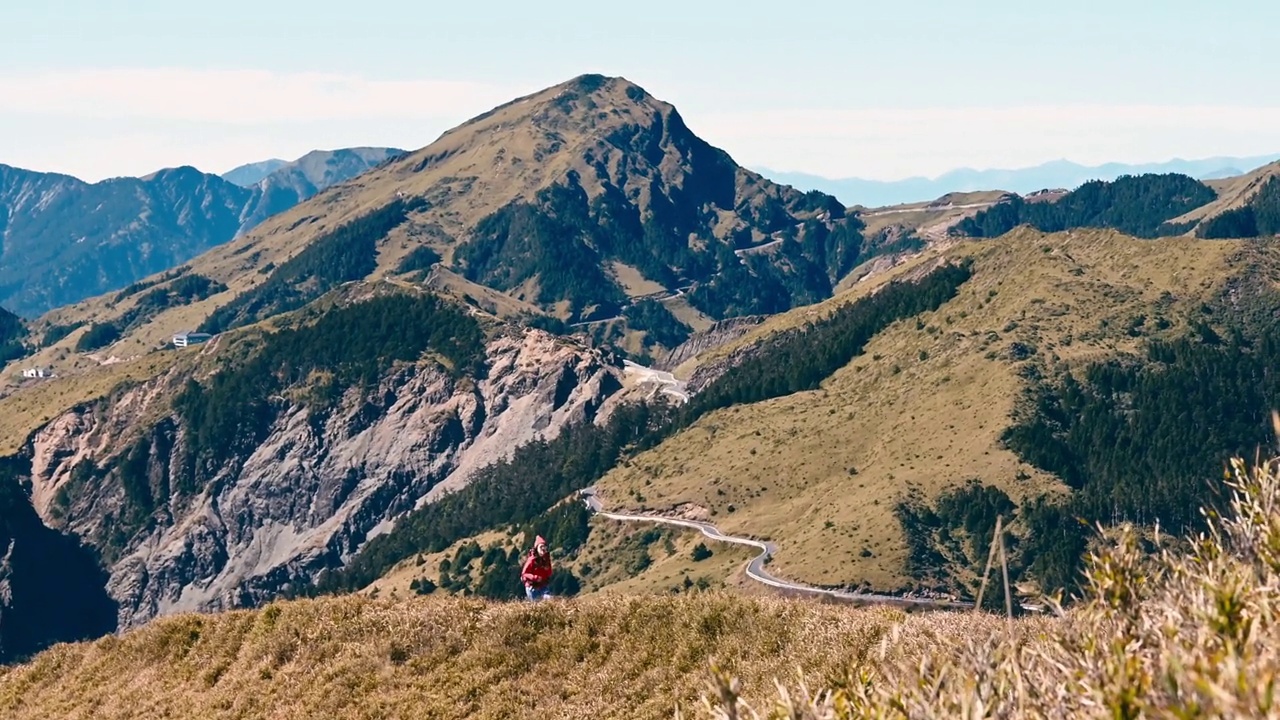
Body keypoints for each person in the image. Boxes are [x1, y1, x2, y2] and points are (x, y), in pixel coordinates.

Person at [521, 535, 553, 601]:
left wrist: (547, 569)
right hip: (532, 587)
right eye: (541, 547)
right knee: (536, 604)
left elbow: (549, 573)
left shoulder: (546, 559)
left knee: (549, 600)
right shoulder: (531, 560)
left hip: (543, 585)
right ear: (536, 548)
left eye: (544, 547)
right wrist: (535, 578)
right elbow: (524, 573)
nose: (543, 549)